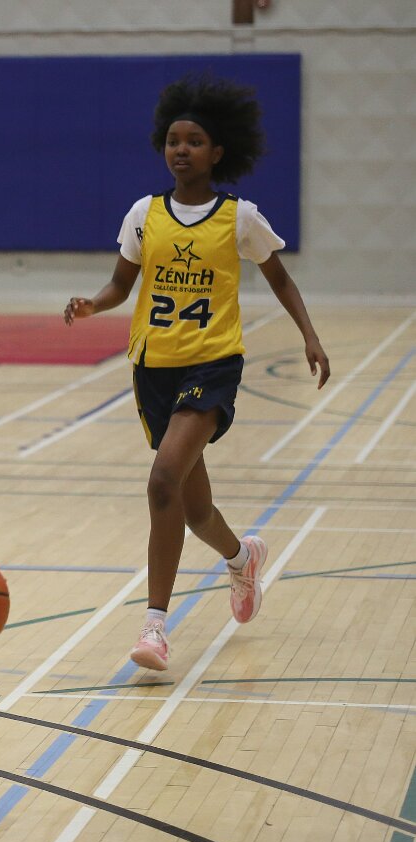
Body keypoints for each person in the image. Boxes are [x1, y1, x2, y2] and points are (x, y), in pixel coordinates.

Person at [64, 74, 330, 671]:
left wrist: (309, 336)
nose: (181, 149)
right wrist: (92, 305)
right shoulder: (144, 214)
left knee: (162, 481)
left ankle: (154, 627)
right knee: (193, 508)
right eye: (173, 140)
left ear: (218, 152)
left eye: (194, 141)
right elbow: (120, 284)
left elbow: (281, 278)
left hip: (212, 365)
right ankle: (241, 558)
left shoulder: (239, 218)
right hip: (153, 369)